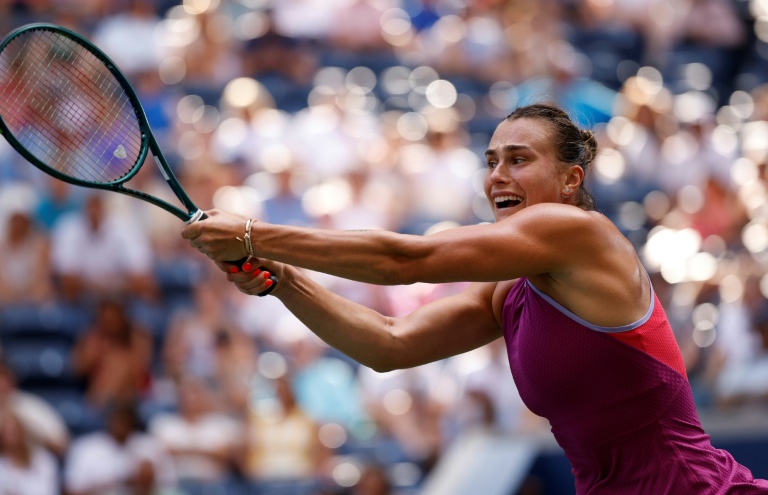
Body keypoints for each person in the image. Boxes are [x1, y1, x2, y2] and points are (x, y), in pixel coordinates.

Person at [182, 103, 768, 494]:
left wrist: (253, 234)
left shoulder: (580, 233)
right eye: (491, 162)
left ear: (572, 180)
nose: (498, 176)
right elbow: (390, 345)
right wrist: (283, 278)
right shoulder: (508, 293)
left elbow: (407, 261)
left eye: (519, 159)